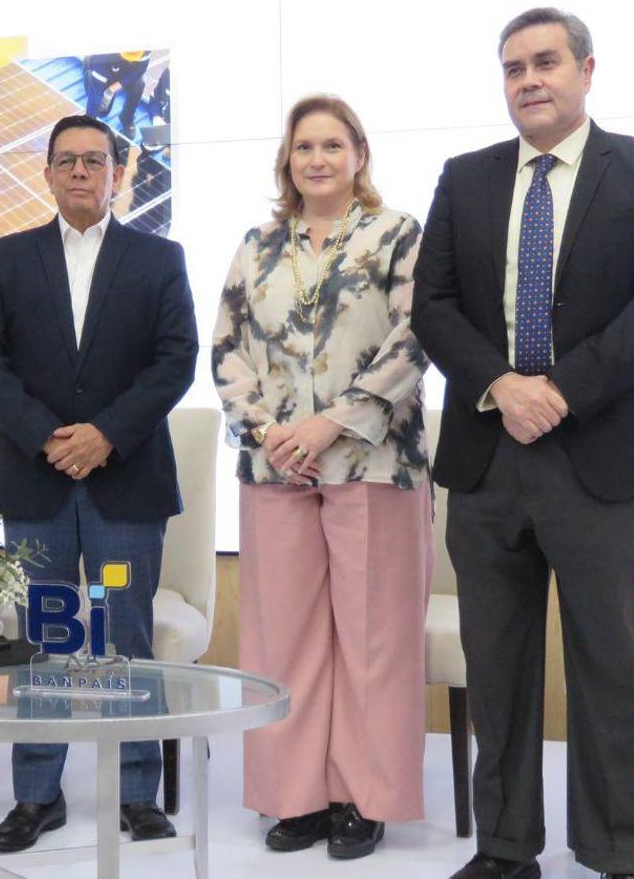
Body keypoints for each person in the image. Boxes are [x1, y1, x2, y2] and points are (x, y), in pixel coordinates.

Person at [411, 8, 634, 879]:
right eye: (514, 68)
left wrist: (560, 391)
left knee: (609, 662)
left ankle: (619, 850)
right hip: (488, 452)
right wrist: (502, 386)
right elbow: (433, 306)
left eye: (546, 62)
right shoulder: (465, 178)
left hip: (602, 453)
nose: (529, 80)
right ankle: (504, 846)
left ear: (586, 69)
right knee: (496, 663)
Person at [0, 114, 199, 852]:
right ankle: (37, 795)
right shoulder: (6, 258)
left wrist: (105, 435)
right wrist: (46, 436)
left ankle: (137, 792)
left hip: (124, 478)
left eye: (94, 161)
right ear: (45, 174)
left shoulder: (158, 258)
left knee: (124, 632)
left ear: (116, 174)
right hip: (34, 480)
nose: (79, 172)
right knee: (45, 637)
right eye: (65, 161)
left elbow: (176, 358)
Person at [212, 94, 433, 860]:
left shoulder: (395, 233)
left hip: (372, 459)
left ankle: (362, 799)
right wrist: (271, 430)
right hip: (275, 465)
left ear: (359, 154)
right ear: (287, 160)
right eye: (304, 146)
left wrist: (331, 422)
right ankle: (296, 796)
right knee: (282, 640)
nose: (317, 158)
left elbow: (416, 337)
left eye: (332, 145)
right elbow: (227, 347)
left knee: (373, 640)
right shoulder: (257, 244)